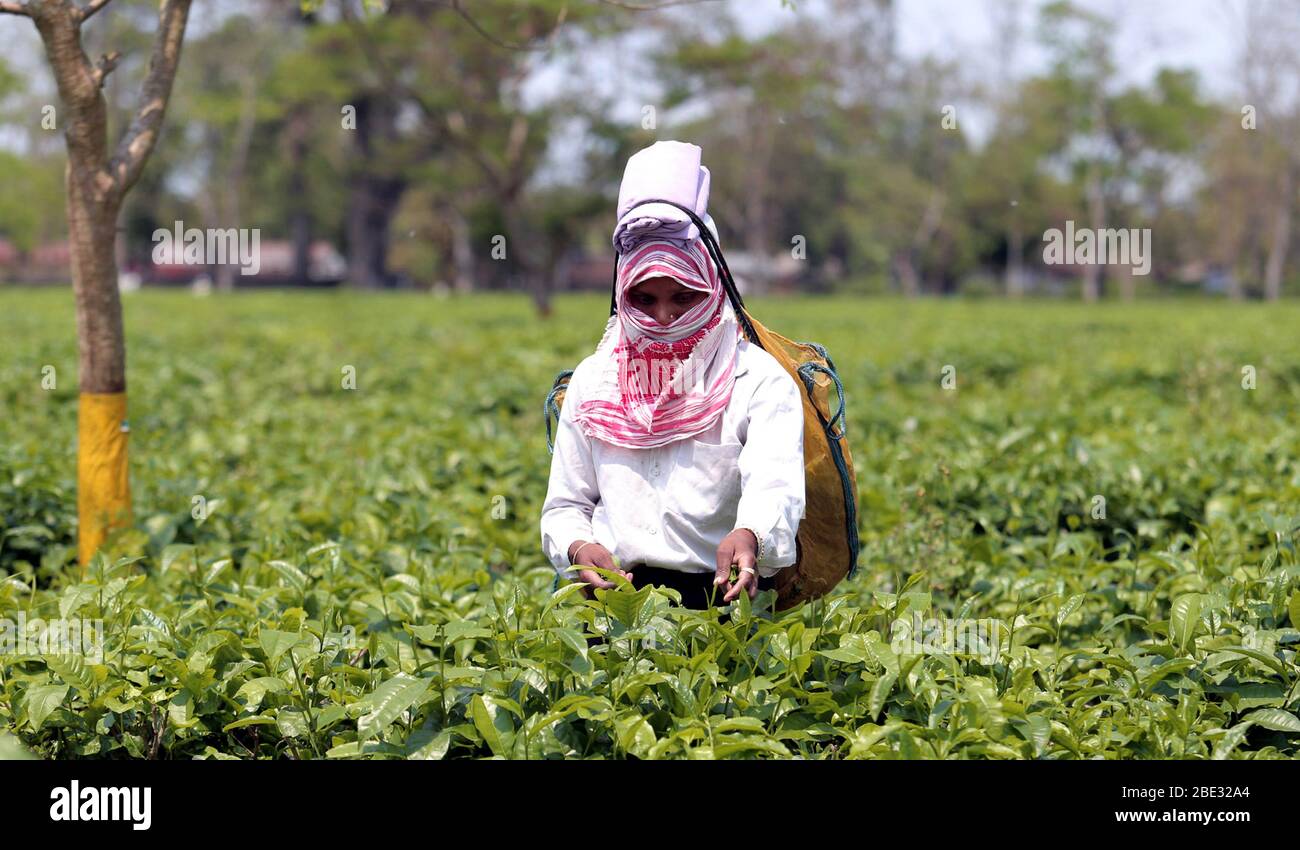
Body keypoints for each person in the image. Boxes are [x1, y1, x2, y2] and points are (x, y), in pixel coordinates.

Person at [539, 235, 805, 608]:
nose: (664, 316)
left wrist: (750, 535)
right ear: (623, 299)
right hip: (616, 603)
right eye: (645, 300)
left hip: (721, 599)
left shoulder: (758, 380)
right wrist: (578, 546)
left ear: (713, 290)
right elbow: (566, 503)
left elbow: (775, 486)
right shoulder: (595, 380)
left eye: (683, 297)